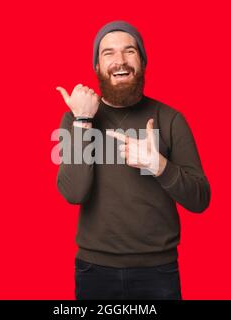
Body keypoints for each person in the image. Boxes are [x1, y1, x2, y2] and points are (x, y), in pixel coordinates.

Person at [55, 21, 211, 300]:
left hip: (158, 272)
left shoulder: (170, 118)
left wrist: (158, 166)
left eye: (130, 51)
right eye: (108, 53)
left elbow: (200, 199)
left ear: (142, 61)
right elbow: (73, 192)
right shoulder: (77, 117)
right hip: (94, 271)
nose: (120, 61)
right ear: (97, 67)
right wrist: (82, 120)